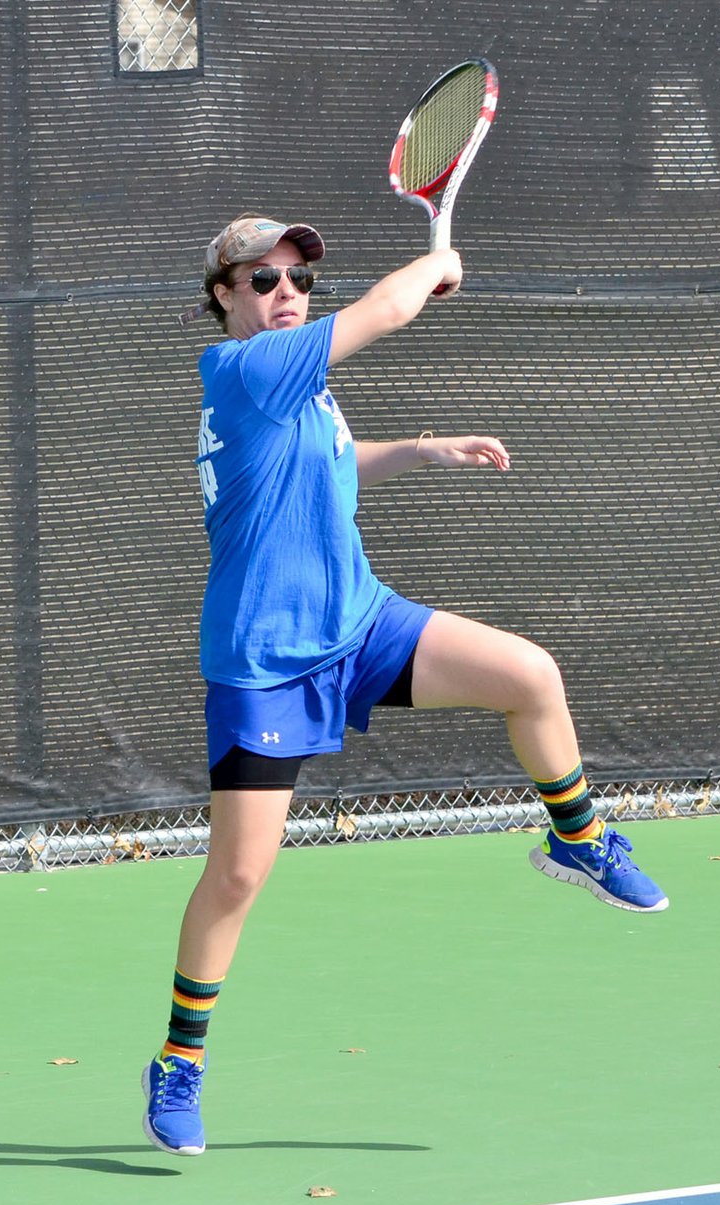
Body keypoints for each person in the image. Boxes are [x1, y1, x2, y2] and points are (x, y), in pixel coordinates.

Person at [142, 213, 668, 1156]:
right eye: (261, 280)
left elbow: (334, 461)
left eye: (298, 278)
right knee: (239, 874)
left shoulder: (299, 388)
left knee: (530, 676)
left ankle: (580, 840)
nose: (286, 293)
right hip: (264, 663)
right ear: (221, 297)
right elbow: (386, 309)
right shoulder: (243, 370)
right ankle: (180, 1062)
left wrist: (423, 449)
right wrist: (432, 270)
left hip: (360, 622)